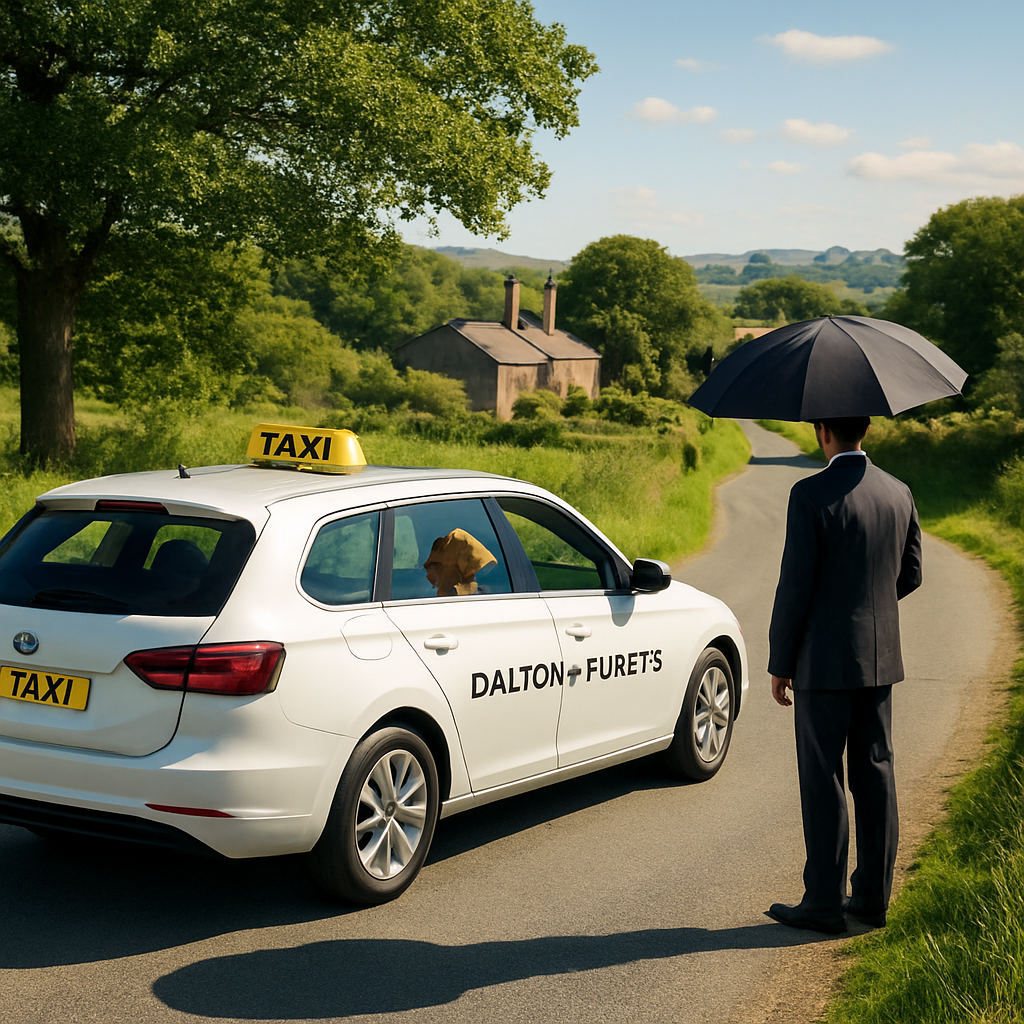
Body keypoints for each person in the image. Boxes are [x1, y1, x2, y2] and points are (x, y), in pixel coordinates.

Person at [766, 416, 922, 934]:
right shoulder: (899, 491)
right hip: (879, 659)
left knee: (823, 776)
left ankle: (824, 904)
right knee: (875, 773)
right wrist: (869, 608)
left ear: (822, 432)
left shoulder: (808, 495)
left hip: (823, 662)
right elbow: (912, 573)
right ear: (867, 431)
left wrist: (780, 663)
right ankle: (873, 900)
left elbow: (795, 587)